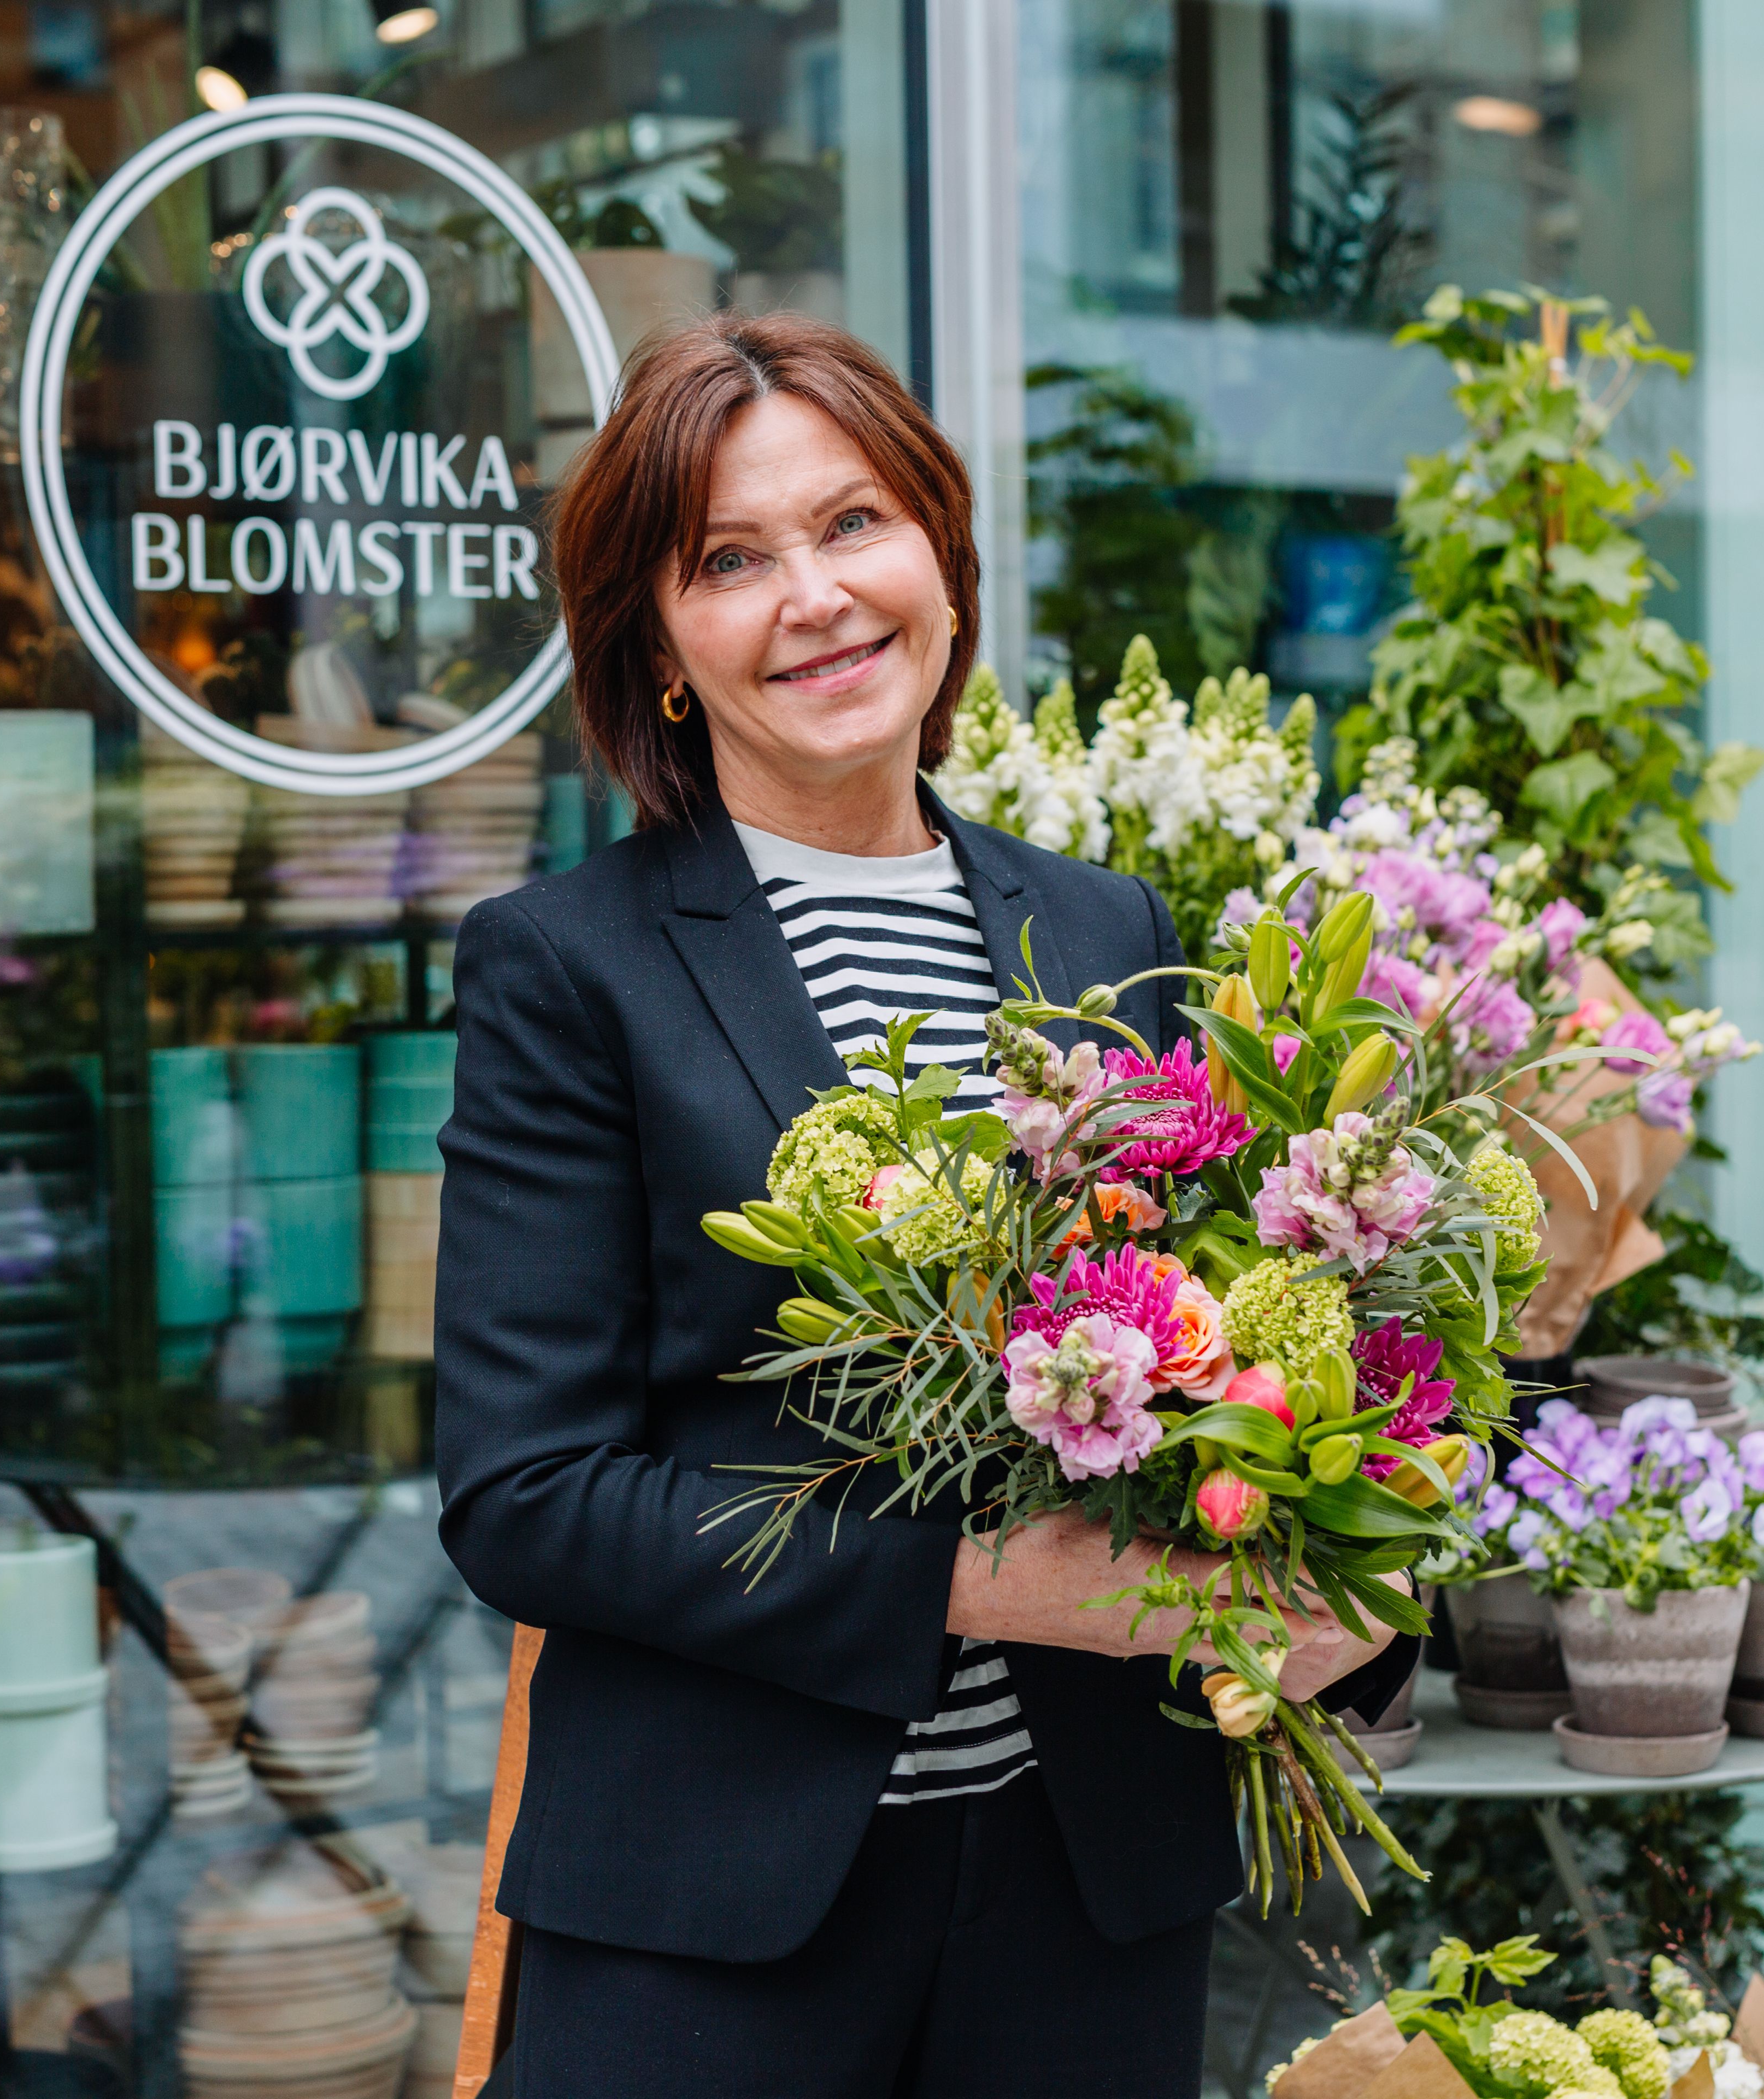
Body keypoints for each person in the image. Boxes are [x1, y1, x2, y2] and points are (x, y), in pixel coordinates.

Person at [428, 312, 1414, 2097]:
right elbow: (529, 1497)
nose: (812, 594)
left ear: (942, 563)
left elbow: (1201, 1356)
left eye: (854, 523)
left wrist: (1331, 1558)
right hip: (712, 1918)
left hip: (1086, 1887)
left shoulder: (1109, 933)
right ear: (660, 644)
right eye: (731, 559)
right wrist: (980, 1585)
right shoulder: (567, 969)